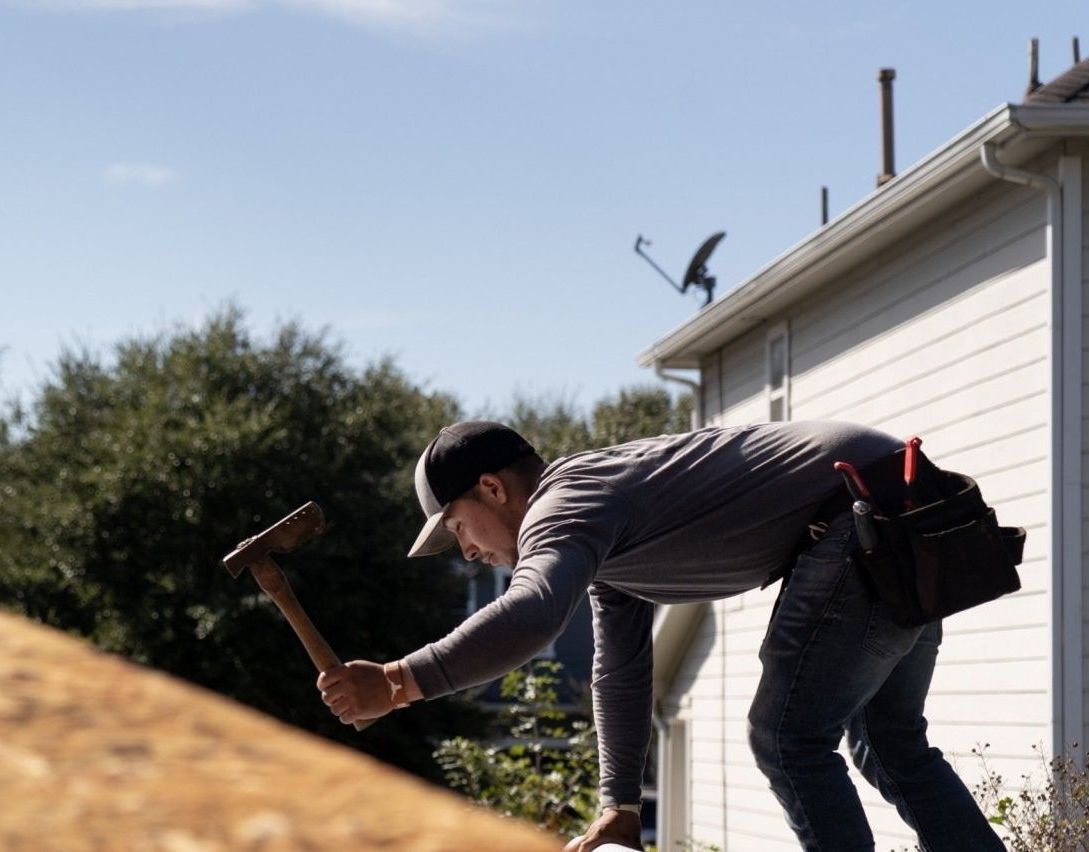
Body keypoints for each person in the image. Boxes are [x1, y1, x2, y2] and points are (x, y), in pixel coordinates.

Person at [316, 420, 1005, 852]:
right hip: (904, 509)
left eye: (458, 529)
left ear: (493, 490)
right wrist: (618, 806)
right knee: (888, 741)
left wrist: (400, 681)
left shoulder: (562, 509)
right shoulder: (602, 526)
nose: (466, 552)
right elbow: (618, 673)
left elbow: (531, 615)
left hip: (864, 521)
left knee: (787, 739)